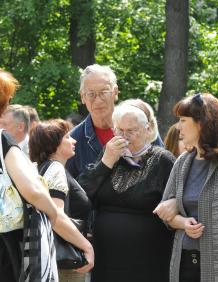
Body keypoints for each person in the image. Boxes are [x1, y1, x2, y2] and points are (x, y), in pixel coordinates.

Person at [0, 66, 93, 282]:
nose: (7, 106)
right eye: (5, 100)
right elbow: (36, 193)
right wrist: (82, 242)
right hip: (0, 261)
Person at [154, 93, 218, 282]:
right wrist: (183, 223)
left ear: (201, 123)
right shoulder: (182, 162)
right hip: (183, 263)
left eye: (183, 120)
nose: (178, 127)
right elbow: (166, 214)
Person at [77, 103, 175, 282]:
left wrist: (174, 203)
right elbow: (82, 194)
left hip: (148, 256)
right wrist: (106, 161)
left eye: (131, 131)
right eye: (120, 131)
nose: (124, 137)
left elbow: (178, 197)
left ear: (147, 130)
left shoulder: (163, 159)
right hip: (107, 254)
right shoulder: (109, 154)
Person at [66, 64, 163, 178]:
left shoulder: (141, 126)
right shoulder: (74, 141)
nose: (98, 100)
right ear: (82, 97)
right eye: (91, 94)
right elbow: (72, 190)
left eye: (104, 92)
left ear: (115, 92)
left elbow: (163, 169)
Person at [29, 119, 92, 282]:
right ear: (53, 144)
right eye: (67, 137)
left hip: (48, 259)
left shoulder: (40, 168)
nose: (74, 140)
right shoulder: (56, 169)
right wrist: (87, 246)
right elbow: (56, 216)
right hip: (64, 264)